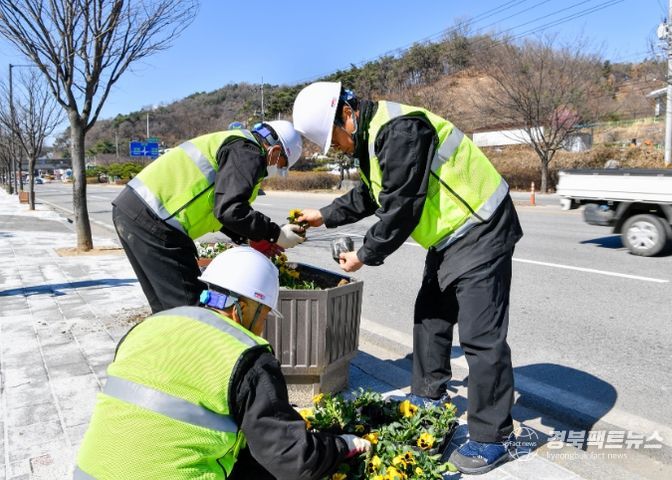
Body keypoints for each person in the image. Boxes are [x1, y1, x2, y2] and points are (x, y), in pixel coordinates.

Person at [292, 82, 523, 475]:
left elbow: (401, 207)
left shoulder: (400, 131)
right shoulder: (373, 140)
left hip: (482, 227)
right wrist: (324, 215)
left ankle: (493, 436)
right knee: (430, 316)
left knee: (480, 336)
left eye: (335, 139)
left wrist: (365, 254)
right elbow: (371, 195)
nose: (340, 148)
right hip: (449, 237)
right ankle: (429, 398)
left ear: (346, 115)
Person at [74, 246, 371, 479]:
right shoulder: (247, 356)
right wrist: (342, 445)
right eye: (264, 314)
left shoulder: (150, 326)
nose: (262, 327)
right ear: (244, 307)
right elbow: (293, 460)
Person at [112, 120, 306, 314]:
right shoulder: (248, 152)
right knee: (192, 311)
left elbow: (217, 207)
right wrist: (275, 234)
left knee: (166, 310)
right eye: (281, 166)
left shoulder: (235, 144)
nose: (276, 171)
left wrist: (249, 237)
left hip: (134, 212)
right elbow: (230, 210)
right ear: (275, 151)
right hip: (155, 221)